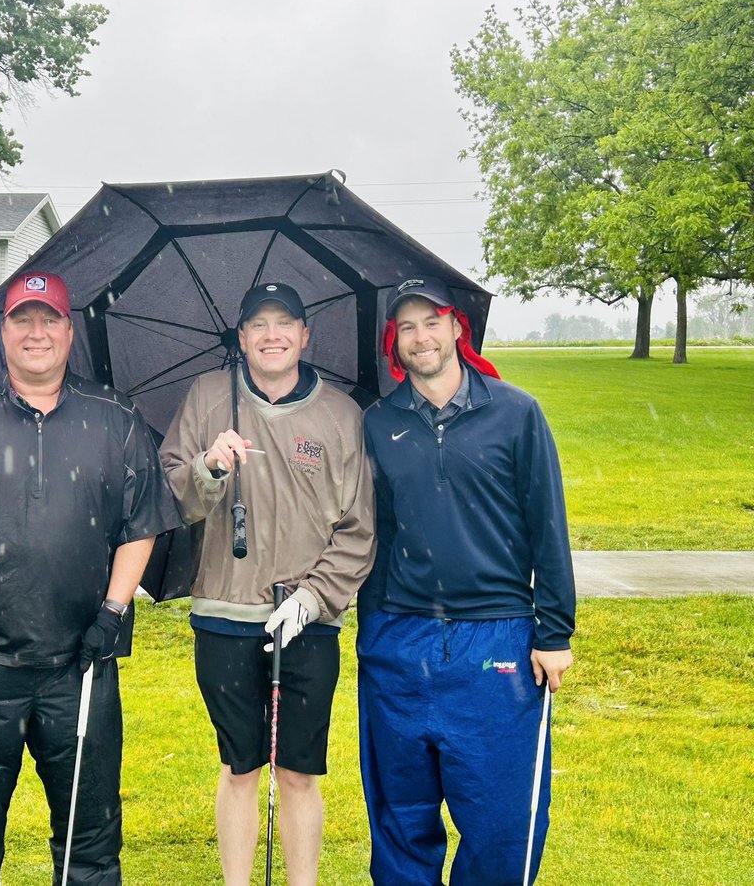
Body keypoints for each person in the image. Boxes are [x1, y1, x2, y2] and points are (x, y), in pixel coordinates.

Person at [0, 271, 182, 885]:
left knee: (89, 848)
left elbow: (141, 524)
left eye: (48, 318)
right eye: (22, 319)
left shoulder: (116, 420)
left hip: (80, 670)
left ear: (68, 330)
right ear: (1, 334)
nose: (36, 332)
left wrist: (113, 612)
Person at [358, 276, 576, 885]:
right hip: (399, 640)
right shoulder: (378, 424)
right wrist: (372, 632)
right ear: (393, 343)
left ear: (458, 328)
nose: (420, 336)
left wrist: (554, 632)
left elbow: (547, 527)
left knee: (500, 821)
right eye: (406, 327)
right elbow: (373, 533)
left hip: (497, 641)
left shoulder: (515, 412)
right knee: (401, 817)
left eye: (432, 322)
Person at [160, 282, 376, 886]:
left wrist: (313, 597)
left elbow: (359, 529)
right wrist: (210, 466)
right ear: (242, 337)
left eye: (286, 324)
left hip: (309, 620)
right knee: (240, 765)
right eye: (259, 325)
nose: (272, 335)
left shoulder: (341, 415)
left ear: (306, 336)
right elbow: (170, 494)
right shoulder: (208, 397)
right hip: (225, 615)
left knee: (300, 771)